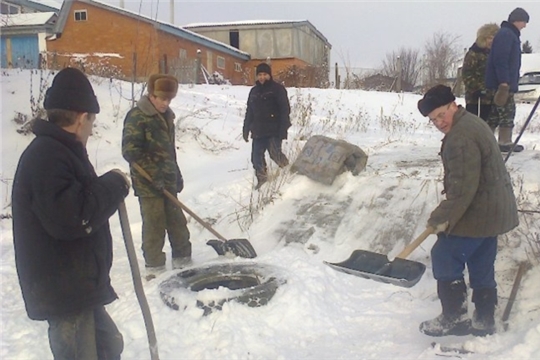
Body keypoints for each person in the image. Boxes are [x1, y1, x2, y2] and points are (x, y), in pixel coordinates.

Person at [12, 67, 130, 359]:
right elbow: (74, 217)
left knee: (109, 345)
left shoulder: (61, 152)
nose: (91, 129)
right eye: (92, 121)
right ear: (81, 118)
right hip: (63, 291)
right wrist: (114, 185)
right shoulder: (47, 156)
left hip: (78, 286)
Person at [417, 85, 519, 337]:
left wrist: (441, 218)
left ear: (453, 105)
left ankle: (454, 317)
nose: (439, 122)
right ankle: (484, 319)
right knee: (481, 260)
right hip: (493, 211)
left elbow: (462, 189)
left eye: (441, 114)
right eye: (433, 120)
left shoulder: (460, 137)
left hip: (479, 210)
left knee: (444, 255)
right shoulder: (472, 122)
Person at [122, 74, 191, 279]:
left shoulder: (167, 116)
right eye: (161, 98)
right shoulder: (137, 116)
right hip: (147, 182)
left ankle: (183, 261)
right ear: (151, 95)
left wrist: (175, 173)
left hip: (167, 179)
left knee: (177, 221)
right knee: (154, 223)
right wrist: (153, 176)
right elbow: (130, 151)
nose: (165, 103)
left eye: (169, 99)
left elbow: (169, 150)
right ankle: (155, 267)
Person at [485, 7, 529, 152]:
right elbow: (501, 60)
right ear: (517, 20)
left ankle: (485, 141)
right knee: (507, 111)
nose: (525, 26)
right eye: (524, 22)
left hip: (501, 82)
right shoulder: (507, 34)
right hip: (502, 84)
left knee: (495, 114)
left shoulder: (509, 34)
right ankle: (504, 142)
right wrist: (504, 83)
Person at [243, 62, 291, 190]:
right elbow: (249, 111)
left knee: (275, 154)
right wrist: (246, 128)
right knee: (256, 158)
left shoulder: (277, 89)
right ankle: (262, 180)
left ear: (269, 75)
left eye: (264, 74)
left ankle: (288, 171)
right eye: (259, 75)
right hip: (258, 131)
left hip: (274, 130)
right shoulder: (254, 91)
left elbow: (285, 110)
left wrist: (283, 130)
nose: (262, 77)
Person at [462, 23, 499, 120]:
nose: (492, 41)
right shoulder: (474, 53)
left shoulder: (494, 54)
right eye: (489, 38)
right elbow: (467, 73)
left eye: (494, 38)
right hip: (475, 98)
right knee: (474, 123)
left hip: (490, 98)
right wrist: (476, 89)